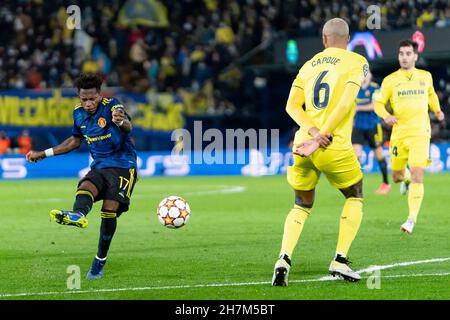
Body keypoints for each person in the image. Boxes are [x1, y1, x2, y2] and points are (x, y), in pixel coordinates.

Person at [272, 18, 369, 286]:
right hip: (331, 143)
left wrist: (312, 133)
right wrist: (322, 135)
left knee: (301, 205)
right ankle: (340, 259)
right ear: (347, 39)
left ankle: (283, 258)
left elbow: (291, 107)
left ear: (324, 39)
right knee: (355, 194)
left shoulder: (307, 66)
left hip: (302, 144)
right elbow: (346, 102)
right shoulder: (356, 62)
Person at [26, 73, 138, 279]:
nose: (88, 103)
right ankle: (78, 214)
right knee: (86, 185)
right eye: (83, 99)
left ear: (99, 95)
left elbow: (128, 127)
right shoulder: (78, 114)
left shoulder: (113, 105)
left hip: (123, 166)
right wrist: (43, 153)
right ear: (79, 97)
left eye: (92, 98)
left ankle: (99, 262)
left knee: (109, 210)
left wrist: (121, 122)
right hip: (100, 166)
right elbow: (74, 141)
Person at [374, 39, 445, 234]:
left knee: (417, 175)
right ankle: (403, 180)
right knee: (397, 176)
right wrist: (386, 116)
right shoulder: (390, 80)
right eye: (401, 54)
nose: (404, 57)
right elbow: (378, 104)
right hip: (399, 134)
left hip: (421, 132)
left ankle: (411, 219)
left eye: (407, 54)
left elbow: (431, 95)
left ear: (415, 56)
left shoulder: (425, 76)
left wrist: (437, 111)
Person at [352, 70, 391, 195]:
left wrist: (357, 108)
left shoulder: (375, 88)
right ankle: (356, 185)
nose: (363, 75)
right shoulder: (355, 89)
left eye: (366, 73)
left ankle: (386, 183)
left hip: (373, 126)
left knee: (378, 155)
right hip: (358, 126)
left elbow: (374, 106)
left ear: (370, 75)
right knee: (355, 156)